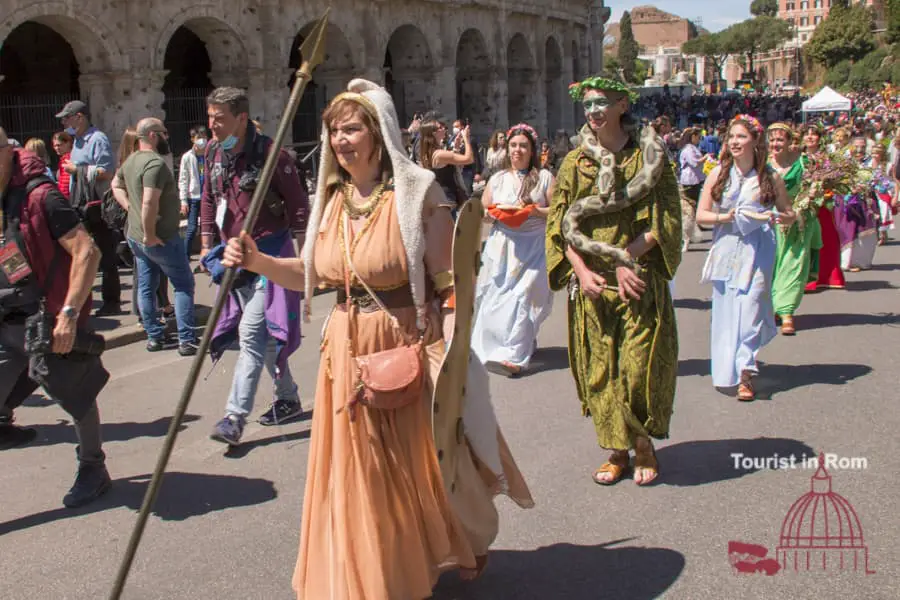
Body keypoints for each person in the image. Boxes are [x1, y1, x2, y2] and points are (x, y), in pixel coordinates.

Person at [222, 79, 533, 599]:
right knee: (362, 476)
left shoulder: (416, 193)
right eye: (334, 131)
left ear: (378, 132)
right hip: (344, 349)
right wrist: (256, 262)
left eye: (352, 128)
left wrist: (450, 350)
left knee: (417, 469)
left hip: (401, 342)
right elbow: (311, 275)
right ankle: (376, 575)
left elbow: (449, 282)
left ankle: (426, 554)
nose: (341, 140)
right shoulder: (332, 200)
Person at [546, 73, 682, 486]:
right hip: (591, 285)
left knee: (637, 369)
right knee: (600, 370)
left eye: (601, 102)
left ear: (623, 104)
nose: (593, 111)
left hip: (637, 279)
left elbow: (666, 219)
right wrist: (582, 272)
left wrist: (626, 260)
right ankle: (618, 450)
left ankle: (643, 445)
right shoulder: (574, 162)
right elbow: (559, 227)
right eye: (587, 105)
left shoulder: (648, 156)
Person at [0, 128, 111, 507]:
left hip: (47, 318)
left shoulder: (41, 196)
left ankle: (94, 467)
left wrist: (68, 313)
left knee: (76, 396)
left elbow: (87, 252)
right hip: (7, 319)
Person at [200, 87, 308, 444]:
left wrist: (305, 263)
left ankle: (234, 417)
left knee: (249, 334)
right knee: (262, 339)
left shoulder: (275, 156)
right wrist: (205, 244)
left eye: (220, 118)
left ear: (241, 118)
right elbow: (207, 198)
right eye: (210, 117)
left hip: (271, 258)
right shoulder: (213, 153)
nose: (212, 125)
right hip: (233, 259)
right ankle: (289, 397)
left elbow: (298, 208)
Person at [696, 115, 795, 401]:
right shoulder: (718, 174)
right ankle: (730, 364)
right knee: (728, 311)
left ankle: (745, 372)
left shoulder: (769, 176)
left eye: (741, 137)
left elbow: (790, 214)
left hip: (759, 246)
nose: (735, 142)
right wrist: (724, 217)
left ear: (755, 141)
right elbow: (702, 215)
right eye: (731, 137)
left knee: (752, 305)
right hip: (727, 246)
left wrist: (776, 217)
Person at [472, 123, 553, 376]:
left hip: (533, 244)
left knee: (525, 296)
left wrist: (534, 211)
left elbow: (558, 209)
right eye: (514, 145)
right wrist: (492, 214)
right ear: (507, 149)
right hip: (503, 244)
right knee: (498, 297)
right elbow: (483, 209)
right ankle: (504, 346)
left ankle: (515, 354)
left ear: (532, 150)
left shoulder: (545, 177)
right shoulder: (497, 179)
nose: (518, 150)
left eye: (523, 146)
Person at [113, 119, 196, 354]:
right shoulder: (154, 164)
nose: (167, 138)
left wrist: (130, 208)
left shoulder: (130, 161)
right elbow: (149, 200)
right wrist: (149, 233)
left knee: (146, 286)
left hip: (136, 236)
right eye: (164, 134)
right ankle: (186, 339)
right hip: (159, 237)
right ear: (152, 135)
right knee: (183, 284)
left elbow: (115, 184)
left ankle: (154, 337)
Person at [55, 100, 121, 316]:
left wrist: (78, 170)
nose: (64, 123)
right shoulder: (77, 141)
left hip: (96, 205)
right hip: (79, 203)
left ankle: (112, 301)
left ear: (79, 117)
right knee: (81, 253)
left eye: (67, 118)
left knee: (105, 253)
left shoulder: (97, 139)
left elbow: (107, 171)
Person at [768, 123, 820, 336]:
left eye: (780, 140)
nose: (775, 144)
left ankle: (787, 311)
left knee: (793, 264)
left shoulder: (805, 162)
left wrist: (800, 208)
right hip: (770, 220)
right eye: (771, 140)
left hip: (799, 220)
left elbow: (816, 188)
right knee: (770, 265)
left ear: (790, 141)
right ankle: (771, 306)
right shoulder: (762, 164)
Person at [178, 125, 210, 260]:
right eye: (198, 138)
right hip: (194, 197)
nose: (201, 140)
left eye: (203, 137)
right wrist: (183, 200)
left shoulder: (211, 154)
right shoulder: (187, 157)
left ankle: (210, 256)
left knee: (208, 227)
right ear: (192, 139)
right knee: (191, 228)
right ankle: (185, 257)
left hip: (208, 196)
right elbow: (183, 179)